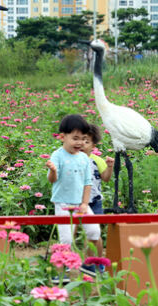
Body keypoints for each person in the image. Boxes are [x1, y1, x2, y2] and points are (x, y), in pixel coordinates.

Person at [46, 114, 102, 278]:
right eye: (75, 138)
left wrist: (85, 204)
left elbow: (87, 183)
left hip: (80, 204)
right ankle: (60, 272)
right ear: (62, 137)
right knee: (67, 240)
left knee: (94, 231)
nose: (80, 143)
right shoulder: (57, 155)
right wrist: (53, 171)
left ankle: (88, 265)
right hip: (63, 204)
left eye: (83, 139)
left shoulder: (84, 158)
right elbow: (52, 180)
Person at [81, 124, 115, 215]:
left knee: (95, 224)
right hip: (76, 200)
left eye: (87, 142)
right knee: (73, 223)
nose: (82, 144)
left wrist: (110, 167)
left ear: (93, 146)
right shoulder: (72, 159)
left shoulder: (97, 160)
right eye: (80, 140)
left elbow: (105, 178)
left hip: (95, 200)